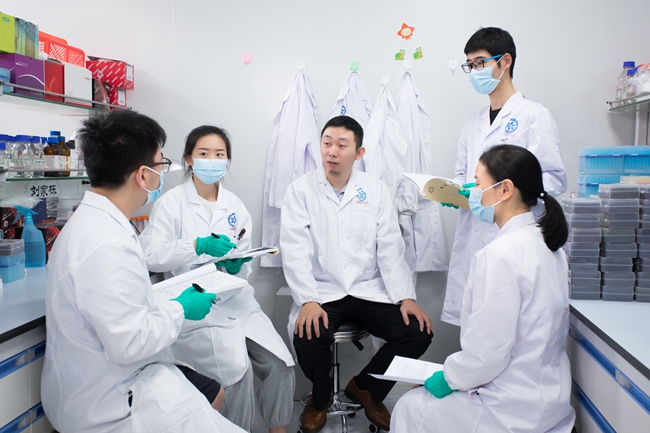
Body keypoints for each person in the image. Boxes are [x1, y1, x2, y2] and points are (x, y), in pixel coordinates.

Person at [41, 110, 244, 433]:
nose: (162, 173)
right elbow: (130, 342)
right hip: (110, 402)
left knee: (213, 391)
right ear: (143, 175)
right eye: (161, 165)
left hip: (103, 377)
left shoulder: (97, 223)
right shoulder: (105, 243)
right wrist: (181, 308)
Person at [392, 145, 575, 433]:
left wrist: (448, 379)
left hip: (508, 406)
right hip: (550, 398)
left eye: (477, 183)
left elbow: (486, 353)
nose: (472, 193)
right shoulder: (549, 246)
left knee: (409, 406)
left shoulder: (500, 255)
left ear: (505, 189)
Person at [280, 115, 433, 432]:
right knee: (308, 335)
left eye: (341, 145)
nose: (332, 151)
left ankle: (366, 388)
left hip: (367, 289)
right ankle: (320, 398)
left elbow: (390, 247)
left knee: (417, 331)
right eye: (326, 143)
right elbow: (294, 249)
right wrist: (308, 300)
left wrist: (406, 297)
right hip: (323, 290)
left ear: (359, 152)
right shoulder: (300, 190)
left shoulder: (374, 189)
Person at [139, 125, 295, 433]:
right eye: (204, 153)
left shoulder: (234, 206)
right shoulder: (171, 203)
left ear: (227, 160)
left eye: (219, 154)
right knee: (238, 375)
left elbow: (244, 261)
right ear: (189, 159)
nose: (212, 160)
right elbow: (151, 255)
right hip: (195, 304)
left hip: (236, 301)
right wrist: (196, 246)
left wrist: (237, 266)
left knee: (281, 366)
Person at [442, 27, 567, 325]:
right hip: (476, 236)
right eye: (469, 65)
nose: (474, 71)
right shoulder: (472, 123)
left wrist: (500, 195)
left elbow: (553, 179)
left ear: (505, 61)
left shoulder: (534, 116)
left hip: (516, 236)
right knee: (478, 324)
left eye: (480, 63)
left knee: (511, 324)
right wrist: (455, 191)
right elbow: (463, 174)